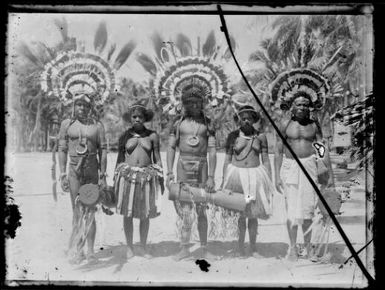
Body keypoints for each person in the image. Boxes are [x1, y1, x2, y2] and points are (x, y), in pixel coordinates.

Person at [274, 93, 334, 261]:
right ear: (292, 106)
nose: (302, 107)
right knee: (291, 210)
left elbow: (321, 147)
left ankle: (308, 248)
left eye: (305, 105)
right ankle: (293, 248)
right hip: (289, 167)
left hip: (310, 166)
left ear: (310, 107)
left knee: (308, 210)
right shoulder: (285, 124)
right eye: (299, 104)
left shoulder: (314, 125)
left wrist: (325, 169)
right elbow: (278, 150)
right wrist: (276, 176)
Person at [166, 85, 217, 261]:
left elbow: (212, 150)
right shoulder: (178, 124)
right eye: (191, 102)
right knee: (185, 210)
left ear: (202, 103)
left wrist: (211, 176)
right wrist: (169, 173)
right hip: (183, 167)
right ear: (185, 104)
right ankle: (184, 248)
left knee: (202, 210)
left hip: (202, 167)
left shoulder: (208, 123)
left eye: (198, 102)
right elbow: (171, 147)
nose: (195, 105)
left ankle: (203, 248)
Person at [58, 93, 107, 264]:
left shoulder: (97, 126)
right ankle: (78, 251)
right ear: (73, 106)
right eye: (78, 104)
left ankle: (91, 252)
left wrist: (103, 175)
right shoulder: (67, 125)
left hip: (91, 173)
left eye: (85, 105)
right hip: (74, 174)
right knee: (78, 211)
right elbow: (62, 149)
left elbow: (103, 150)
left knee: (90, 210)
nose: (82, 108)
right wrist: (62, 174)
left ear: (90, 107)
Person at [221, 105, 275, 258]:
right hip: (237, 178)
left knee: (252, 214)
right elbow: (227, 159)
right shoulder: (233, 136)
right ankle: (239, 247)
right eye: (243, 118)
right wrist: (223, 181)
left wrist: (268, 181)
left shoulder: (260, 137)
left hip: (254, 178)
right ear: (239, 120)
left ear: (253, 120)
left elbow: (265, 160)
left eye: (249, 118)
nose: (246, 121)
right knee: (240, 214)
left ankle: (253, 248)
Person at [114, 103, 164, 260]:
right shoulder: (125, 136)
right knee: (127, 214)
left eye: (140, 117)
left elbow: (157, 158)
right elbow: (120, 158)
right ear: (130, 118)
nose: (137, 119)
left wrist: (161, 178)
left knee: (145, 214)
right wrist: (115, 178)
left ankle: (142, 246)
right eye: (134, 117)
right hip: (127, 177)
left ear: (145, 118)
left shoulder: (152, 136)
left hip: (146, 177)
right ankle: (129, 247)